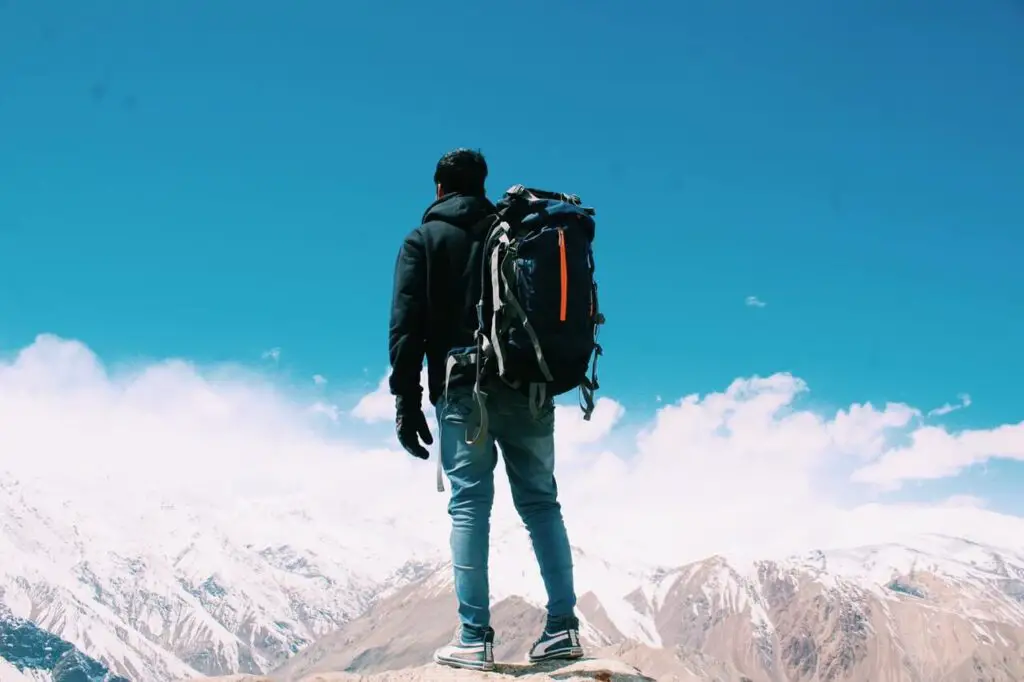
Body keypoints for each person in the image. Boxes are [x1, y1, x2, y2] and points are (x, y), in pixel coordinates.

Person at [388, 148, 584, 671]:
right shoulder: (516, 231)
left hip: (463, 390)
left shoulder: (424, 240)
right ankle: (563, 628)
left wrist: (407, 402)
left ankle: (474, 637)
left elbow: (407, 328)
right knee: (542, 503)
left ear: (438, 189)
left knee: (470, 507)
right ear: (481, 185)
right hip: (529, 387)